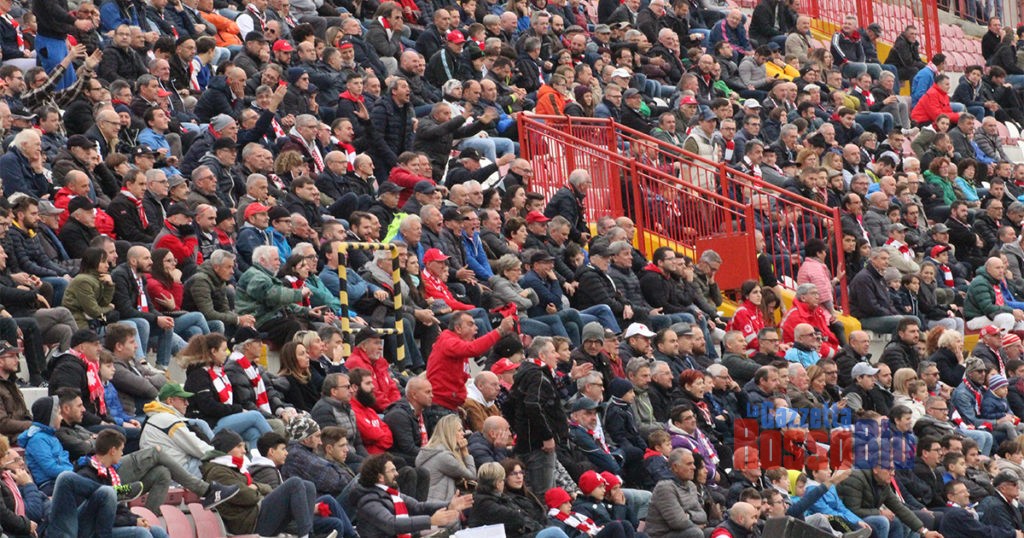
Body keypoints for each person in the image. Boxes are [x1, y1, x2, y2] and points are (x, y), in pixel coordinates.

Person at [180, 333, 273, 448]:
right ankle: (277, 448)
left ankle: (258, 459)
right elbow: (209, 407)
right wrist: (238, 409)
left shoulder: (217, 372)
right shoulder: (198, 375)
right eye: (224, 350)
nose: (226, 354)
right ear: (214, 351)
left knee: (253, 433)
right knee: (255, 416)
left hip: (220, 419)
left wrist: (237, 409)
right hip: (210, 423)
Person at [349, 453, 472, 538]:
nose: (397, 474)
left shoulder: (390, 493)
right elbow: (391, 524)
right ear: (380, 477)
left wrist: (449, 505)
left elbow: (418, 507)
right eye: (392, 471)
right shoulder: (369, 501)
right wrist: (430, 521)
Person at [415, 414, 477, 502]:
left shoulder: (433, 450)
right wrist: (465, 451)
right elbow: (472, 475)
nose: (463, 433)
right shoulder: (444, 457)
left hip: (431, 500)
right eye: (459, 430)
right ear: (450, 433)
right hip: (439, 503)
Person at [646, 448, 706, 538]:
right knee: (695, 533)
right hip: (662, 534)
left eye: (693, 463)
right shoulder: (665, 487)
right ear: (675, 467)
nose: (694, 467)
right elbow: (678, 522)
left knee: (712, 531)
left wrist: (688, 515)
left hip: (685, 530)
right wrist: (696, 525)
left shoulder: (691, 486)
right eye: (689, 464)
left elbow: (703, 516)